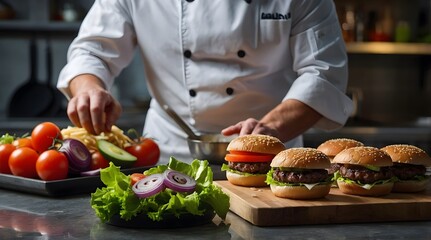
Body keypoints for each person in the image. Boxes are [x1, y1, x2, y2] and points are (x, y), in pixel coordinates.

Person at [57, 0, 353, 164]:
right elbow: (91, 51)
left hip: (269, 157)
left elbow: (323, 73)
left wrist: (270, 129)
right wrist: (89, 89)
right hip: (166, 153)